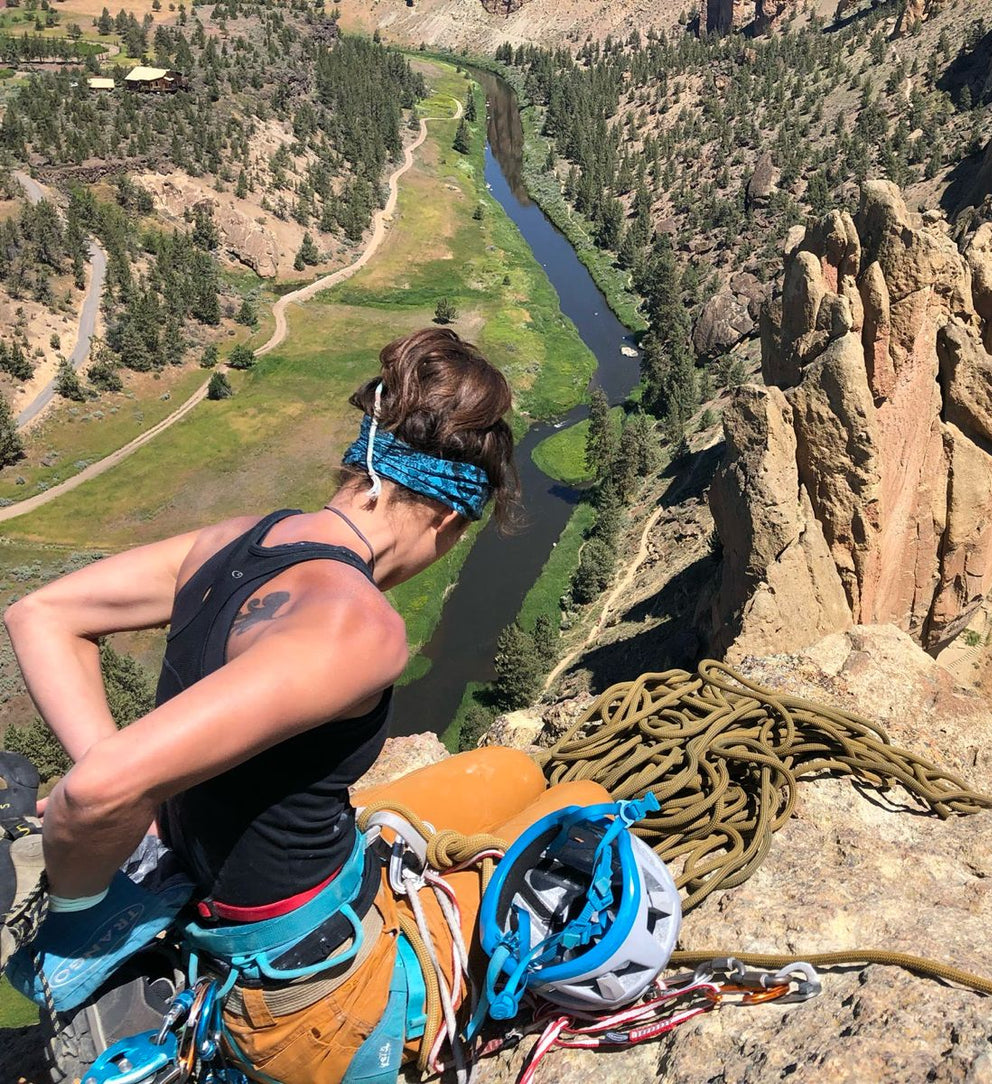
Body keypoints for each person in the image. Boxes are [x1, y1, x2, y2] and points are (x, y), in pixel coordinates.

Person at [1, 327, 612, 1083]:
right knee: (582, 802)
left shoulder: (238, 537)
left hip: (224, 885)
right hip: (304, 997)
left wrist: (139, 782)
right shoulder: (362, 628)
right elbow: (97, 791)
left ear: (362, 463)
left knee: (508, 770)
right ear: (450, 519)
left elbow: (42, 615)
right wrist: (82, 913)